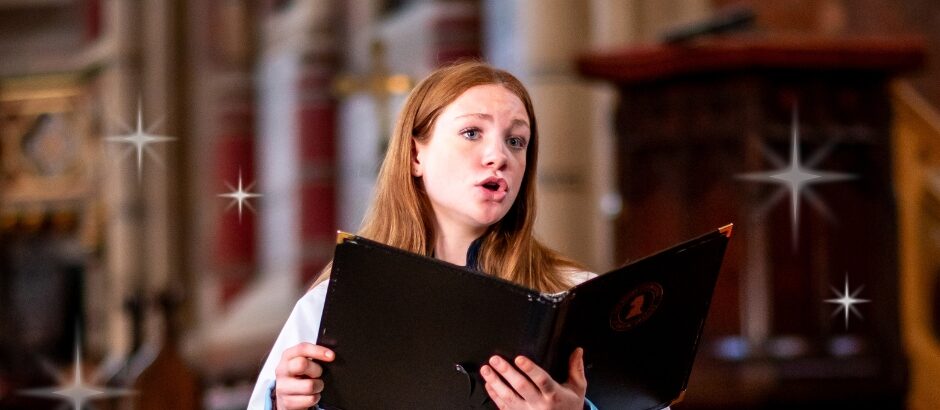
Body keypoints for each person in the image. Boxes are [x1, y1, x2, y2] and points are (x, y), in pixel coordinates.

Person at [248, 61, 601, 410]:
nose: (499, 156)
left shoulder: (574, 299)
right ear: (416, 154)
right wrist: (282, 403)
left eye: (516, 140)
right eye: (472, 133)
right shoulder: (332, 306)